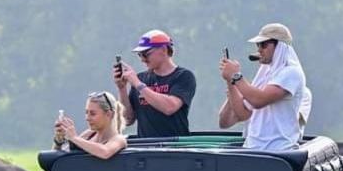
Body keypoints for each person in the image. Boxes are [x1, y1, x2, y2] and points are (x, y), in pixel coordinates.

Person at [218, 23, 306, 151]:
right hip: (253, 149)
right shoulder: (264, 73)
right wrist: (230, 81)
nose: (259, 49)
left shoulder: (292, 72)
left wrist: (236, 76)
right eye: (258, 45)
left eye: (263, 44)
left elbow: (259, 100)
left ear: (279, 46)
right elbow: (243, 114)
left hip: (279, 151)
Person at [113, 29, 197, 138]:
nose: (142, 59)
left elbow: (170, 107)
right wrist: (122, 89)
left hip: (174, 148)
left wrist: (139, 85)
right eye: (140, 55)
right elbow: (128, 119)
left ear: (163, 50)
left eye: (145, 54)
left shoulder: (183, 76)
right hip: (147, 148)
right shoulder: (140, 78)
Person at [53, 91, 127, 159]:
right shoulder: (89, 134)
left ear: (109, 114)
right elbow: (60, 158)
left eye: (92, 114)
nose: (87, 118)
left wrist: (74, 138)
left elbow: (105, 152)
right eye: (86, 113)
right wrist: (59, 140)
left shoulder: (118, 139)